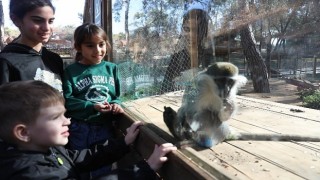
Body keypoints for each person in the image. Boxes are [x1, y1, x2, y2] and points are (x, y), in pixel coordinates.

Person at [0, 80, 177, 180]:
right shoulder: (31, 174)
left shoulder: (42, 148)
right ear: (23, 133)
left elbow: (79, 159)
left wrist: (123, 143)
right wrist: (145, 169)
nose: (67, 121)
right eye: (56, 117)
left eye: (65, 114)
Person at [63, 23, 124, 177]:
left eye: (101, 44)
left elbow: (117, 96)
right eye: (90, 45)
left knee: (103, 168)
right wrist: (91, 106)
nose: (97, 50)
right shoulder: (71, 71)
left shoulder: (112, 68)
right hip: (80, 128)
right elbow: (66, 101)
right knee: (80, 168)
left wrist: (116, 105)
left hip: (105, 127)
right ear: (78, 47)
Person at [0, 0, 63, 92]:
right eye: (37, 20)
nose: (46, 28)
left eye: (50, 21)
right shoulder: (5, 61)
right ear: (16, 20)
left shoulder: (54, 59)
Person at [160, 8, 214, 93]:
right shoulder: (176, 58)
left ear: (203, 32)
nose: (191, 35)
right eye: (186, 29)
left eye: (196, 30)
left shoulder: (209, 56)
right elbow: (165, 89)